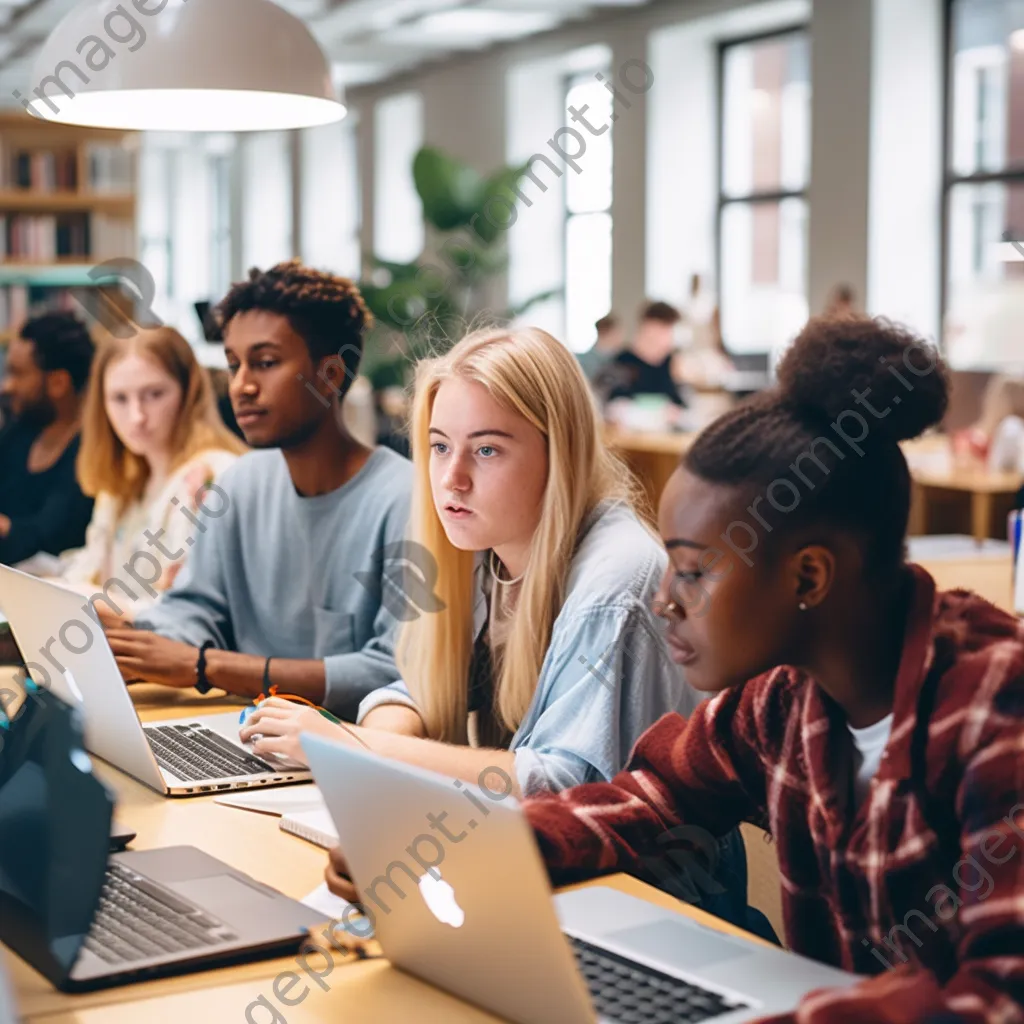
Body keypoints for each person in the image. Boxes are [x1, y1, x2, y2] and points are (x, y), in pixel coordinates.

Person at [472, 317, 1023, 1021]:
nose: (665, 599)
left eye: (694, 572)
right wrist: (485, 854)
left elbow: (999, 999)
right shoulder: (779, 700)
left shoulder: (994, 707)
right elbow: (650, 796)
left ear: (808, 577)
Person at [253, 324, 758, 930]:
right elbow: (413, 686)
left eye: (487, 450)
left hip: (653, 913)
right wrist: (367, 762)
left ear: (559, 452)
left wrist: (350, 746)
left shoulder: (616, 580)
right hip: (548, 886)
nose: (452, 478)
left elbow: (561, 786)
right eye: (440, 447)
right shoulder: (487, 547)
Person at [105, 261, 413, 721]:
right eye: (233, 365)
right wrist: (132, 639)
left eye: (265, 363)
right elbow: (196, 609)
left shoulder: (405, 500)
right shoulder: (241, 483)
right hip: (246, 734)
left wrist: (206, 667)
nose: (242, 386)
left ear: (329, 375)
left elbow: (392, 670)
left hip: (347, 759)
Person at [56, 327, 247, 615]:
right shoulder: (121, 481)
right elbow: (89, 570)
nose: (137, 417)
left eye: (154, 394)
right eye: (119, 399)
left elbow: (198, 612)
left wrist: (96, 602)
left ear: (188, 392)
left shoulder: (214, 475)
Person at [0, 312, 95, 568]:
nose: (6, 386)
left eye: (18, 374)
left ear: (58, 382)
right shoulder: (19, 430)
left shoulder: (91, 450)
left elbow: (51, 534)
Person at [604, 300, 686, 409]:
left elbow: (682, 406)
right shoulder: (622, 362)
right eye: (665, 329)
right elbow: (610, 406)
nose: (669, 337)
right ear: (648, 327)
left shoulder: (669, 363)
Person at [577, 312, 624, 385]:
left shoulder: (618, 359)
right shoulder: (584, 362)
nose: (620, 339)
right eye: (617, 334)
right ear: (607, 334)